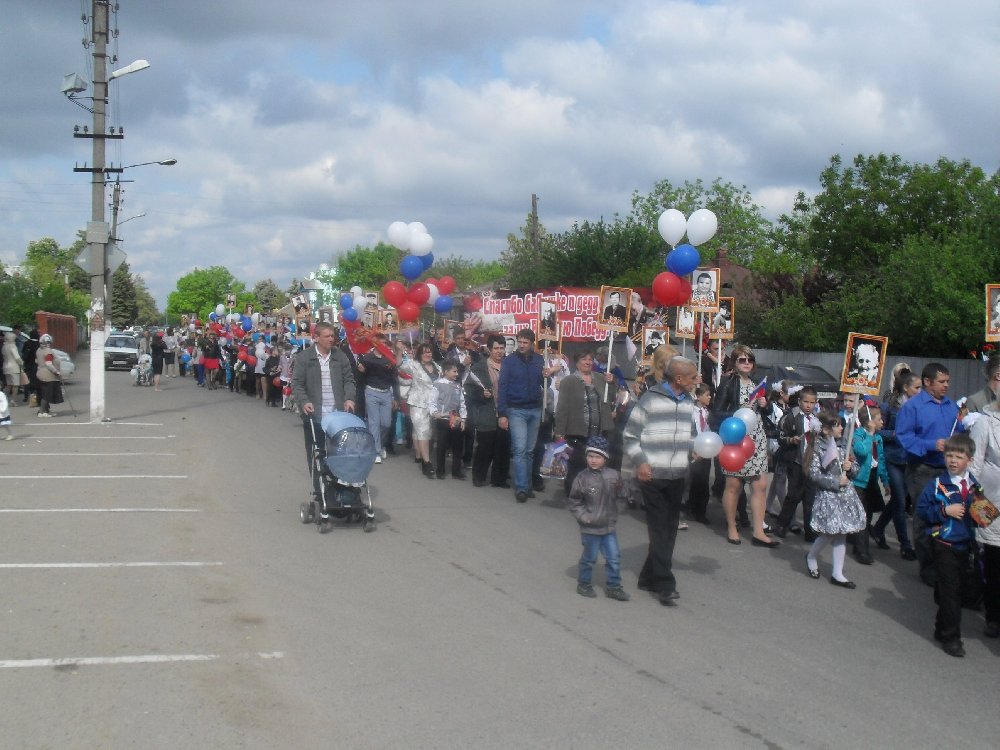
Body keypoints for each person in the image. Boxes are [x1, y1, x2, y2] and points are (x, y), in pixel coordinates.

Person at [623, 355, 698, 606]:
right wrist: (641, 462)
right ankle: (665, 584)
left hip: (678, 474)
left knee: (669, 528)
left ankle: (647, 577)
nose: (696, 381)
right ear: (679, 378)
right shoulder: (650, 399)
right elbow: (630, 436)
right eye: (692, 377)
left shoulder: (688, 401)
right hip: (652, 474)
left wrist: (694, 447)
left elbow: (691, 432)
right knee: (659, 529)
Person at [896, 363, 967, 586]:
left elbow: (959, 432)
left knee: (947, 516)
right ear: (927, 382)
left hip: (947, 470)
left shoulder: (950, 406)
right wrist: (931, 444)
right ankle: (927, 568)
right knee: (925, 517)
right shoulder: (913, 407)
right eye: (941, 382)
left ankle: (945, 563)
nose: (946, 386)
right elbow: (903, 437)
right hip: (922, 469)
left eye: (948, 382)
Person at [916, 433, 980, 657]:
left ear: (969, 460)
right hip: (943, 542)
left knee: (954, 590)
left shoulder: (973, 486)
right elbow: (922, 511)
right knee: (951, 591)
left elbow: (981, 517)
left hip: (965, 544)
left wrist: (983, 516)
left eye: (959, 457)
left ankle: (941, 625)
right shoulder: (937, 485)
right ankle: (952, 638)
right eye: (949, 455)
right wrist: (944, 511)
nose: (953, 460)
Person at [711, 344, 778, 547]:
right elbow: (716, 414)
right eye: (742, 359)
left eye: (750, 359)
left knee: (760, 486)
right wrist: (739, 411)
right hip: (736, 438)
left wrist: (766, 406)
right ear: (734, 362)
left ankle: (758, 531)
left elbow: (766, 414)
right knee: (734, 485)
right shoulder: (728, 383)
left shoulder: (757, 384)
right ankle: (732, 527)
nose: (747, 363)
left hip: (757, 438)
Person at [290, 322, 357, 500]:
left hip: (337, 416)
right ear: (316, 338)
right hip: (315, 415)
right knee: (316, 453)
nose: (331, 339)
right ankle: (320, 490)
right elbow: (297, 383)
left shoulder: (340, 356)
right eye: (327, 336)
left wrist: (349, 398)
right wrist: (304, 401)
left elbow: (349, 380)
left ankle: (339, 487)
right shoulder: (305, 357)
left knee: (338, 453)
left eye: (332, 336)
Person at [804, 411, 866, 588]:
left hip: (845, 496)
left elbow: (855, 468)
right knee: (829, 532)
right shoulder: (817, 447)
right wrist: (835, 482)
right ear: (825, 429)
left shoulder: (844, 445)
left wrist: (850, 467)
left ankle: (837, 573)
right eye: (837, 425)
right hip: (828, 496)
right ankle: (811, 556)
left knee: (842, 532)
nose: (841, 428)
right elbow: (814, 474)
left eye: (841, 425)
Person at [568, 436, 630, 601]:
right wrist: (584, 517)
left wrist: (632, 484)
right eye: (590, 456)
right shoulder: (582, 478)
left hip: (609, 527)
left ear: (605, 458)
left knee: (614, 558)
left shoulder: (613, 476)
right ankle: (584, 583)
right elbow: (574, 501)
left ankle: (614, 587)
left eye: (598, 457)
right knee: (589, 559)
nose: (593, 460)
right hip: (590, 528)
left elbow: (624, 493)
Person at [872, 367, 920, 560]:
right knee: (900, 500)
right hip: (893, 458)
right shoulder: (889, 407)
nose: (920, 391)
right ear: (906, 388)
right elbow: (876, 430)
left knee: (898, 500)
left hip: (910, 459)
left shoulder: (918, 408)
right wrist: (894, 434)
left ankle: (878, 528)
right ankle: (905, 545)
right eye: (916, 387)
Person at [554, 349, 616, 495]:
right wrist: (559, 433)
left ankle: (591, 495)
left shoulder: (600, 378)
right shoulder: (568, 381)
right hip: (577, 432)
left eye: (590, 359)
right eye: (584, 359)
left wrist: (612, 383)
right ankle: (573, 494)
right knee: (577, 466)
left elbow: (610, 398)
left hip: (598, 433)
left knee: (595, 467)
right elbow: (562, 408)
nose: (588, 362)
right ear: (577, 363)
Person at [497, 328, 546, 503]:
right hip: (516, 409)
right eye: (520, 342)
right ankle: (522, 488)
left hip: (534, 409)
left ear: (532, 343)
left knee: (530, 451)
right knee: (519, 449)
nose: (522, 345)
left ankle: (528, 485)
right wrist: (502, 413)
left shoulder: (539, 360)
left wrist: (548, 375)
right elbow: (502, 387)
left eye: (526, 342)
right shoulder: (509, 361)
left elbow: (543, 383)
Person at [969, 400, 1000, 640]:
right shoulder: (985, 422)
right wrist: (979, 510)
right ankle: (994, 616)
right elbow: (974, 466)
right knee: (994, 562)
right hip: (992, 503)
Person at [773, 387, 820, 539]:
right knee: (793, 495)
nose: (808, 405)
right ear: (799, 401)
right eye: (805, 402)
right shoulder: (791, 417)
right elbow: (780, 436)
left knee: (810, 498)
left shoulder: (817, 419)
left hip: (812, 463)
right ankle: (782, 525)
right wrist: (791, 440)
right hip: (796, 461)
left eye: (812, 403)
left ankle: (810, 530)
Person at [466, 334, 511, 488]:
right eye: (496, 348)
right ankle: (479, 476)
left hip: (505, 412)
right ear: (490, 349)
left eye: (502, 348)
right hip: (486, 411)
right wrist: (481, 394)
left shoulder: (509, 365)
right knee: (485, 446)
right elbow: (468, 388)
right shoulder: (480, 367)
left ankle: (499, 478)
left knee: (503, 446)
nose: (499, 351)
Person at [850, 403, 889, 565]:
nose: (882, 422)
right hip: (860, 481)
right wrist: (870, 434)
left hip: (872, 479)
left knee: (870, 513)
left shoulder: (879, 438)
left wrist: (885, 481)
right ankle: (862, 550)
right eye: (879, 419)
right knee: (862, 516)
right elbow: (861, 451)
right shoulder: (859, 434)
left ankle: (857, 541)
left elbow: (881, 460)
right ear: (870, 422)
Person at [401, 343, 440, 478]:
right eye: (424, 352)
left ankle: (419, 454)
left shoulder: (438, 367)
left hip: (433, 405)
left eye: (429, 352)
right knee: (423, 431)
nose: (428, 354)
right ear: (419, 354)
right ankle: (427, 462)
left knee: (426, 431)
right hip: (418, 403)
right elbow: (399, 365)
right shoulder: (414, 365)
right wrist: (398, 351)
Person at [357, 334, 398, 464]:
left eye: (385, 343)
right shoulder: (367, 358)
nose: (383, 345)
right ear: (375, 344)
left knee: (386, 423)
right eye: (381, 343)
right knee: (374, 423)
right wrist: (360, 370)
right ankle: (375, 451)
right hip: (371, 392)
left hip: (386, 393)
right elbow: (360, 376)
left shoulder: (390, 358)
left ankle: (380, 444)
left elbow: (394, 379)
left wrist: (396, 397)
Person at [428, 362, 467, 480]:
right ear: (446, 372)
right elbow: (432, 400)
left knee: (458, 446)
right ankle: (440, 470)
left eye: (457, 371)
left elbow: (462, 403)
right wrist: (434, 412)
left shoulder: (458, 386)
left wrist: (463, 418)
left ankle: (456, 470)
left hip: (455, 419)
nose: (457, 374)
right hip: (443, 419)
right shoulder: (438, 384)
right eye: (454, 371)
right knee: (442, 445)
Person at [688, 383, 713, 524]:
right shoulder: (691, 412)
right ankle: (694, 508)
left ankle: (700, 510)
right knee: (697, 481)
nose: (710, 397)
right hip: (695, 450)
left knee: (704, 481)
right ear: (698, 396)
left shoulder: (707, 412)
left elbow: (708, 430)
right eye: (707, 395)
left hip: (706, 450)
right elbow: (689, 432)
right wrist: (692, 449)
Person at [34, 334, 63, 417]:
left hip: (40, 373)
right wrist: (56, 372)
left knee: (44, 393)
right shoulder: (48, 352)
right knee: (47, 395)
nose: (49, 344)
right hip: (48, 375)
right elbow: (49, 364)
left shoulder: (39, 350)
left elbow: (36, 361)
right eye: (49, 342)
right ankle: (42, 412)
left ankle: (46, 410)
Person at [2, 331, 24, 402]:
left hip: (5, 366)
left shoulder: (4, 346)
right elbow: (17, 357)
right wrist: (22, 363)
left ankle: (4, 398)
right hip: (14, 367)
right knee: (15, 385)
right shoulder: (13, 346)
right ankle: (13, 400)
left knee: (8, 384)